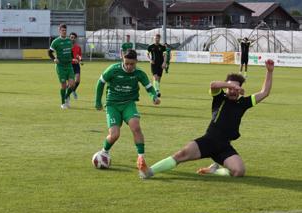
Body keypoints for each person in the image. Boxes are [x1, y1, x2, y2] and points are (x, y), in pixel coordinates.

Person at [144, 60, 274, 179]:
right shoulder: (220, 97)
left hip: (224, 147)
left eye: (236, 88)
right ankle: (150, 171)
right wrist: (229, 85)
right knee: (180, 155)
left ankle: (214, 171)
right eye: (230, 88)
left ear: (240, 89)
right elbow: (213, 85)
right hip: (208, 141)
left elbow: (265, 92)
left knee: (239, 171)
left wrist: (269, 71)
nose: (233, 91)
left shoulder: (243, 103)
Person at [94, 49, 161, 179]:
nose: (129, 66)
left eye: (132, 64)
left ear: (136, 61)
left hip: (129, 104)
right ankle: (104, 152)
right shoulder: (113, 70)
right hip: (112, 105)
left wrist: (154, 96)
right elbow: (100, 82)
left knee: (136, 127)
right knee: (114, 135)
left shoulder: (139, 73)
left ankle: (141, 158)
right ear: (123, 60)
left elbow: (149, 87)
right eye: (127, 63)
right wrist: (98, 101)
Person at [48, 24, 75, 109]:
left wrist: (73, 58)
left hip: (69, 65)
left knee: (72, 84)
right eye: (62, 30)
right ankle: (63, 103)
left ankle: (66, 97)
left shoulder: (69, 41)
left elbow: (70, 52)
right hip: (60, 66)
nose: (64, 32)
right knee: (63, 85)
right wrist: (54, 59)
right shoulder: (56, 41)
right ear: (59, 31)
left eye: (65, 30)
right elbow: (49, 52)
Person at [69, 32, 82, 100]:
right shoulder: (67, 47)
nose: (72, 39)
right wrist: (74, 60)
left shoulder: (78, 47)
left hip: (76, 65)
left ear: (75, 39)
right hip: (69, 65)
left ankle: (73, 90)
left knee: (78, 80)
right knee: (71, 83)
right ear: (69, 38)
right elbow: (67, 57)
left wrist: (80, 60)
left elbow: (79, 55)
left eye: (74, 38)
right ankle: (67, 95)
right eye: (71, 37)